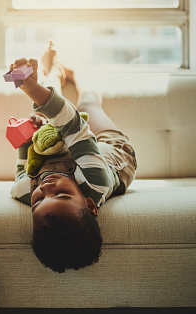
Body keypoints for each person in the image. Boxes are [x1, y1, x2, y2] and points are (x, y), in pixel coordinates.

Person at [10, 42, 137, 273]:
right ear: (89, 205)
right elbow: (75, 127)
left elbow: (23, 172)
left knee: (46, 121)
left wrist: (26, 139)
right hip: (113, 155)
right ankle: (77, 73)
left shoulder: (25, 191)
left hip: (63, 157)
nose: (46, 187)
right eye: (61, 194)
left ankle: (54, 74)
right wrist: (32, 89)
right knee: (87, 104)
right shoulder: (95, 183)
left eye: (38, 201)